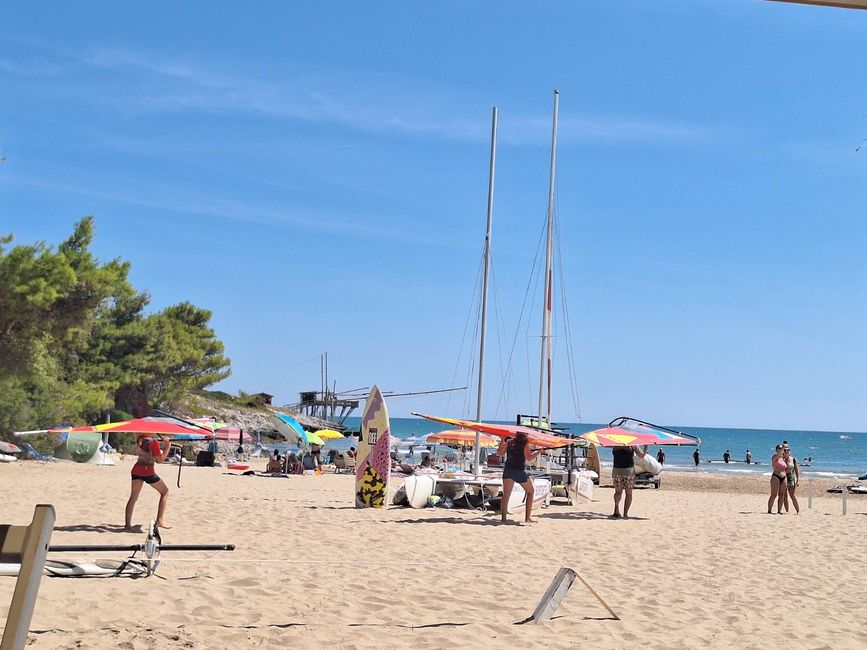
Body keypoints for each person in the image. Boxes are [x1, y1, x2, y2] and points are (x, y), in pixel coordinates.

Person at [125, 434, 172, 530]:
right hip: (147, 471)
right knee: (165, 492)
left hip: (137, 469)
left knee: (133, 497)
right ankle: (160, 520)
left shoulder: (139, 438)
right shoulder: (153, 442)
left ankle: (127, 525)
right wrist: (167, 447)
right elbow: (160, 460)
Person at [497, 432, 543, 524]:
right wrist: (539, 452)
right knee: (531, 492)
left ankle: (503, 519)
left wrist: (502, 440)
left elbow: (499, 453)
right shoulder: (524, 444)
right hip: (518, 471)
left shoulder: (509, 442)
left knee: (506, 495)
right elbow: (529, 457)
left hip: (508, 470)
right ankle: (527, 518)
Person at [611, 445, 648, 519]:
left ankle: (616, 508)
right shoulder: (632, 445)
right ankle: (625, 514)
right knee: (628, 494)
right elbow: (641, 455)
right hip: (628, 471)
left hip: (616, 470)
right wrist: (645, 447)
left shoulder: (615, 444)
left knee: (618, 492)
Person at [767, 444, 787, 514]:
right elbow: (778, 455)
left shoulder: (783, 458)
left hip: (783, 477)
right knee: (774, 495)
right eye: (780, 448)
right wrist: (783, 447)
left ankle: (779, 510)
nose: (781, 449)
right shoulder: (775, 456)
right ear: (777, 449)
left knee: (782, 495)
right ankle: (769, 510)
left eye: (782, 448)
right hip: (776, 476)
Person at [783, 446, 800, 514]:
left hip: (791, 477)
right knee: (785, 495)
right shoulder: (782, 459)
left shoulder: (793, 459)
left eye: (788, 450)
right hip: (784, 477)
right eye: (785, 451)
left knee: (792, 495)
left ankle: (797, 511)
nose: (786, 452)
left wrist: (798, 480)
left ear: (790, 452)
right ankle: (787, 511)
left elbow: (797, 470)